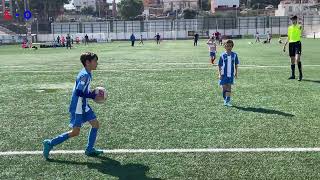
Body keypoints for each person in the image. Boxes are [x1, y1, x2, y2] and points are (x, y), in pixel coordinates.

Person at [42, 52, 105, 160]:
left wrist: (91, 93)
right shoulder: (85, 75)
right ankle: (50, 143)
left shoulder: (87, 73)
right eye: (95, 61)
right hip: (78, 107)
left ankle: (89, 149)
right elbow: (78, 92)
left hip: (84, 104)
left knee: (95, 124)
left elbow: (82, 90)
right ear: (87, 62)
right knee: (75, 132)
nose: (97, 63)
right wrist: (91, 95)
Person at [218, 40, 239, 107]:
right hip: (224, 74)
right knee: (224, 88)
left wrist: (236, 73)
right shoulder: (222, 55)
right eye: (227, 46)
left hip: (230, 74)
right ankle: (225, 99)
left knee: (229, 87)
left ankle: (228, 101)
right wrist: (219, 74)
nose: (229, 47)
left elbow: (236, 64)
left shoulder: (235, 55)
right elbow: (219, 65)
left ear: (232, 46)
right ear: (225, 46)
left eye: (230, 46)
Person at [283, 15, 303, 81]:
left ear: (296, 19)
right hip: (291, 44)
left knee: (297, 59)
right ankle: (293, 75)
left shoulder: (299, 26)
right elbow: (288, 37)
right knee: (292, 60)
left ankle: (300, 74)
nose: (292, 20)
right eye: (291, 19)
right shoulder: (289, 28)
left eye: (293, 19)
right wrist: (284, 45)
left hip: (297, 43)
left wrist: (300, 25)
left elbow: (301, 28)